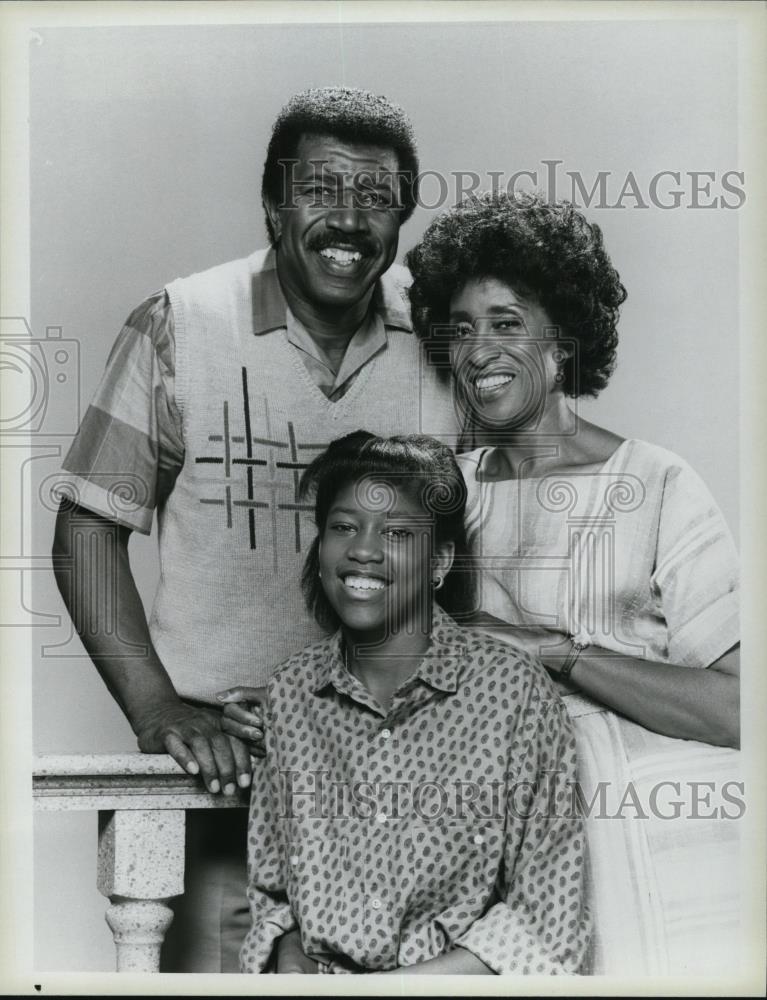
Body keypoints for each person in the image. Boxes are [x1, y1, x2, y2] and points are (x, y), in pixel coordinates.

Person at [51, 87, 459, 971]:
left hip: (402, 787)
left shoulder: (443, 337)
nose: (349, 219)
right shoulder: (180, 324)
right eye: (320, 189)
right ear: (273, 202)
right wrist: (156, 706)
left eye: (377, 199)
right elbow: (86, 528)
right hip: (224, 780)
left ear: (405, 215)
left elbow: (472, 560)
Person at [405, 191, 741, 975]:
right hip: (497, 850)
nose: (476, 349)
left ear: (563, 343)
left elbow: (737, 710)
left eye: (505, 323)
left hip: (652, 847)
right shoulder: (443, 494)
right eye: (460, 328)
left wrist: (551, 651)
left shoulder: (656, 482)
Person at [239, 431, 591, 975]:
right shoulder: (290, 693)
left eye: (397, 531)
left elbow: (545, 918)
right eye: (343, 527)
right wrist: (293, 969)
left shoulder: (512, 692)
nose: (363, 549)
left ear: (440, 561)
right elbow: (275, 898)